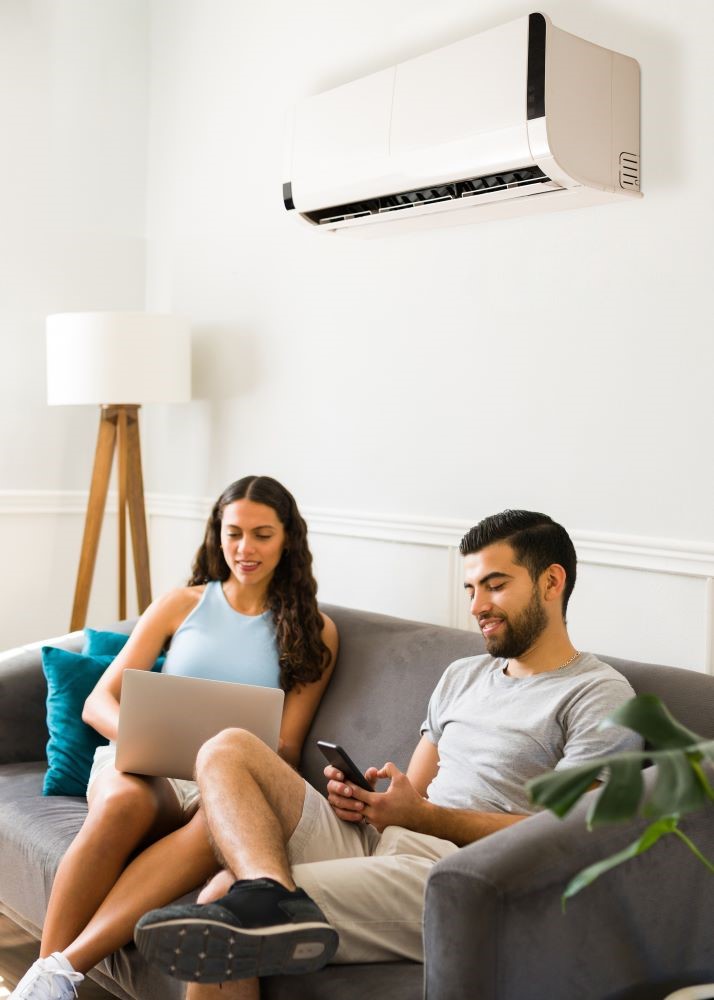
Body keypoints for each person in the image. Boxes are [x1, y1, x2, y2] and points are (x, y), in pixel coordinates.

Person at [132, 509, 643, 1000]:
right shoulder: (462, 676)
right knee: (228, 746)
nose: (477, 606)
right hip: (388, 846)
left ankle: (262, 902)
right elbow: (413, 797)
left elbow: (573, 838)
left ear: (552, 583)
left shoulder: (598, 695)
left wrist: (423, 816)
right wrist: (369, 802)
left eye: (495, 584)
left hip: (465, 877)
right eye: (471, 589)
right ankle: (268, 890)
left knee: (222, 899)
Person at [10, 475, 338, 1000]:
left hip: (223, 781)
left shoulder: (314, 630)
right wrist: (145, 737)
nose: (245, 549)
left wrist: (211, 762)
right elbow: (98, 701)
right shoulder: (180, 605)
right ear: (217, 535)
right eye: (233, 533)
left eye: (262, 534)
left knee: (222, 823)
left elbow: (286, 747)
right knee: (121, 803)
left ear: (288, 539)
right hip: (147, 761)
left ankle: (61, 969)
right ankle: (42, 989)